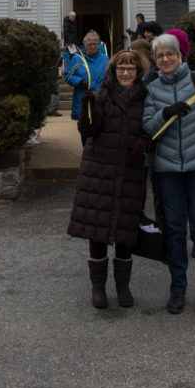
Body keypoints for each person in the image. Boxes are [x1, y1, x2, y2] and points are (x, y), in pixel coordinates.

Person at [142, 33, 195, 320]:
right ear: (155, 60)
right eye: (160, 56)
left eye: (170, 54)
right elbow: (147, 127)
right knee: (175, 230)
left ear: (180, 56)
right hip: (168, 171)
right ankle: (177, 288)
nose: (165, 59)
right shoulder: (152, 89)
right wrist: (165, 113)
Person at [68, 49, 149, 308]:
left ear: (138, 73)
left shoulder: (146, 98)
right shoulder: (101, 95)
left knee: (126, 232)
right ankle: (98, 288)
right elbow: (88, 130)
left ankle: (123, 287)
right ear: (114, 71)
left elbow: (152, 128)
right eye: (121, 69)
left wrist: (145, 143)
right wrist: (87, 108)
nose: (126, 73)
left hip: (129, 171)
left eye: (131, 69)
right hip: (99, 171)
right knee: (97, 231)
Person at [62, 30, 107, 123]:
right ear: (85, 44)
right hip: (83, 99)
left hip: (100, 99)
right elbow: (68, 76)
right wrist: (80, 81)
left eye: (95, 44)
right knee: (85, 130)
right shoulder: (77, 59)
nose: (93, 46)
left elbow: (111, 76)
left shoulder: (105, 59)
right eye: (90, 44)